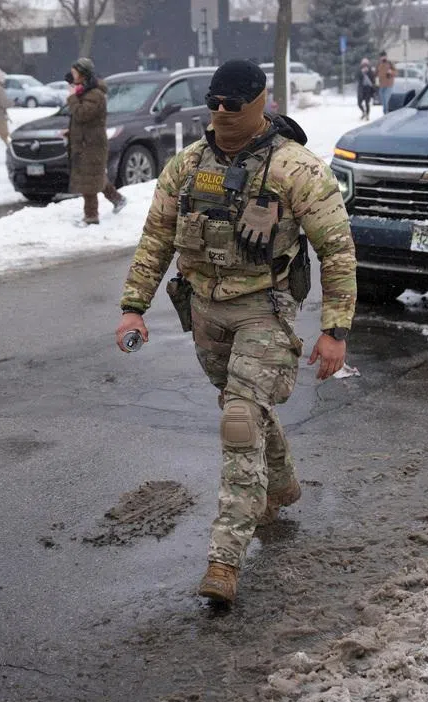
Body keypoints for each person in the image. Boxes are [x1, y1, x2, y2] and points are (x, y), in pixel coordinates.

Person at [115, 59, 357, 606]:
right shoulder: (188, 166)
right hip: (204, 310)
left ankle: (224, 561)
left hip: (264, 311)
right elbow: (155, 239)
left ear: (260, 103)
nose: (221, 113)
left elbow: (337, 251)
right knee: (239, 405)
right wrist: (134, 306)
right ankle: (284, 484)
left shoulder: (296, 170)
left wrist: (335, 329)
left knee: (240, 419)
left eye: (233, 106)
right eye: (214, 103)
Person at [65, 57, 127, 225]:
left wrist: (71, 98)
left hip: (92, 144)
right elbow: (83, 120)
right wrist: (70, 132)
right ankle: (118, 199)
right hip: (86, 142)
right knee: (94, 176)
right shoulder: (84, 92)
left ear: (83, 74)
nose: (72, 76)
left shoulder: (95, 94)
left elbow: (82, 114)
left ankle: (91, 217)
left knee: (89, 181)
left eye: (75, 73)